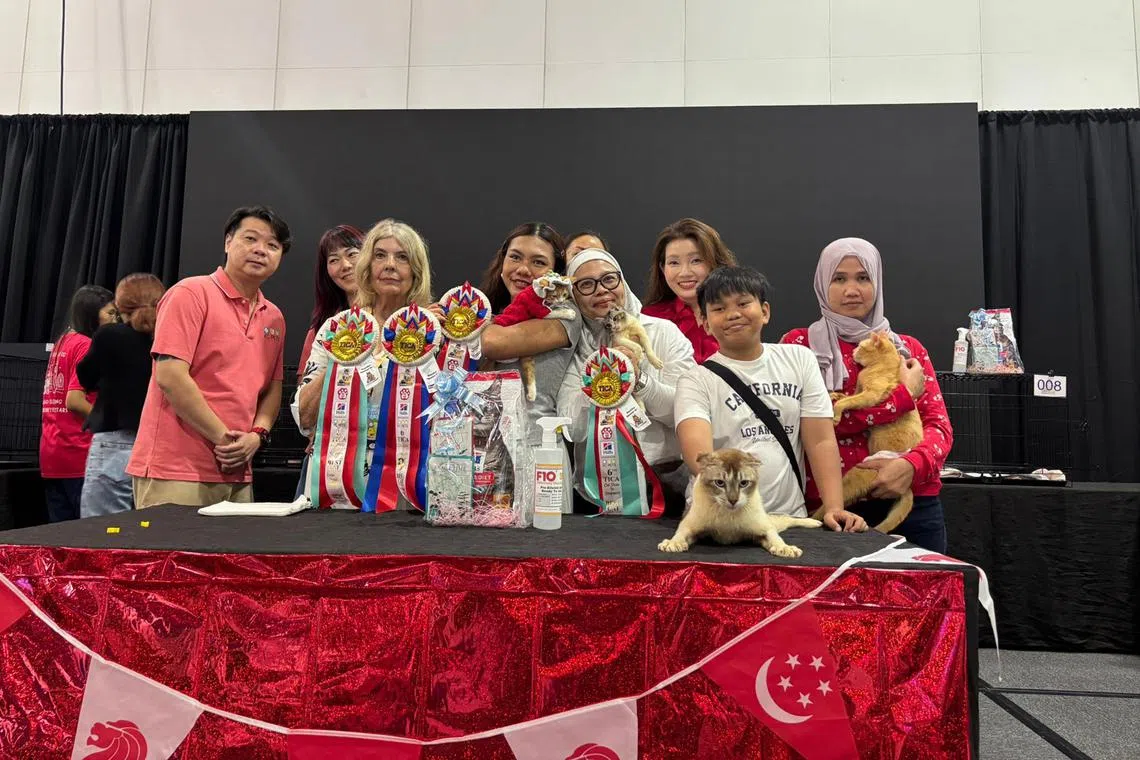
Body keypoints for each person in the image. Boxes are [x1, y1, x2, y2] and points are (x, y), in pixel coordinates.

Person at [781, 238, 952, 551]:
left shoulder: (908, 349)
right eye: (839, 278)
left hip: (910, 502)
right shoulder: (798, 347)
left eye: (863, 278)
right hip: (831, 507)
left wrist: (911, 466)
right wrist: (901, 398)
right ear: (821, 284)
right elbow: (811, 427)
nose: (851, 290)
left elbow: (939, 426)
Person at [674, 266, 866, 531]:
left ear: (764, 311)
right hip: (720, 523)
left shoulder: (799, 359)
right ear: (705, 323)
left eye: (743, 303)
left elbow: (820, 440)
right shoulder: (695, 380)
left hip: (790, 520)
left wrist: (834, 507)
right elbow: (699, 456)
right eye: (718, 309)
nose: (733, 314)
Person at [126, 206, 290, 508]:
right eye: (250, 238)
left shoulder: (274, 318)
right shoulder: (190, 293)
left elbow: (272, 388)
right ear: (228, 242)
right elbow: (170, 377)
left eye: (272, 245)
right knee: (168, 555)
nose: (260, 250)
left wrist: (257, 436)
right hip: (176, 469)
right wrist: (224, 439)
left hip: (237, 471)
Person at [557, 249, 695, 514]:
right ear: (574, 296)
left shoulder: (663, 333)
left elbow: (684, 412)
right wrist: (600, 382)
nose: (601, 290)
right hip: (597, 493)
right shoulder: (572, 347)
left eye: (609, 279)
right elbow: (572, 429)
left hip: (665, 489)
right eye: (586, 285)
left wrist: (639, 379)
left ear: (623, 282)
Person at [295, 218, 433, 433]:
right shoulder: (337, 328)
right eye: (379, 255)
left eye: (403, 257)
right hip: (340, 462)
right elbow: (304, 418)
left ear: (416, 270)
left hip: (408, 462)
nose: (390, 264)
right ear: (366, 266)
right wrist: (341, 355)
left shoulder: (433, 332)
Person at [477, 222, 585, 444]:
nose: (523, 269)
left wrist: (467, 327)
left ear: (556, 271)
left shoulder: (564, 315)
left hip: (536, 450)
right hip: (481, 448)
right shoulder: (490, 312)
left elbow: (493, 344)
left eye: (538, 262)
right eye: (515, 257)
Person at [76, 274, 166, 517]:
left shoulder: (110, 336)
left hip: (115, 442)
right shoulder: (171, 339)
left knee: (101, 532)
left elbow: (86, 377)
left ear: (119, 305)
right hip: (161, 446)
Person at [39, 285, 116, 521]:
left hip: (52, 454)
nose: (116, 319)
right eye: (110, 313)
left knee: (61, 540)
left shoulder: (63, 342)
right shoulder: (85, 345)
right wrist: (110, 424)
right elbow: (74, 400)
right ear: (93, 315)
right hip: (78, 454)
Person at [641, 218, 737, 363]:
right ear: (662, 268)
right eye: (674, 263)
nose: (684, 272)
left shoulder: (738, 313)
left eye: (696, 260)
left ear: (715, 262)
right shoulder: (650, 320)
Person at [297, 225, 364, 379]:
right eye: (334, 260)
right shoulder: (322, 328)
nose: (345, 265)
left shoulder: (397, 321)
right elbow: (304, 396)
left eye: (352, 254)